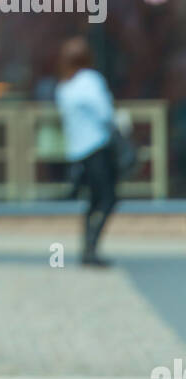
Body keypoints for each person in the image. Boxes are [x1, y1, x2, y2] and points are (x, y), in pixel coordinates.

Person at [55, 37, 117, 266]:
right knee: (107, 198)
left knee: (93, 199)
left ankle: (88, 246)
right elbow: (105, 113)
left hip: (78, 151)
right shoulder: (89, 80)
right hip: (97, 147)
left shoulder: (64, 86)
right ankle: (90, 247)